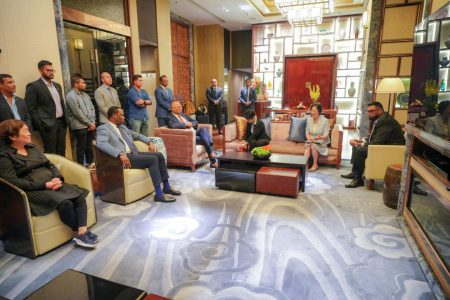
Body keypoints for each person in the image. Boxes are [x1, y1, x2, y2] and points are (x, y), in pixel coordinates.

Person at [0, 119, 97, 248]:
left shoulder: (33, 148)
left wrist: (58, 178)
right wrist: (45, 185)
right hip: (33, 191)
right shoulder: (4, 156)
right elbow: (12, 182)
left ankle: (82, 232)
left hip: (52, 182)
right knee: (65, 203)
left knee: (79, 196)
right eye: (25, 131)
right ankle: (79, 232)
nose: (30, 133)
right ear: (12, 136)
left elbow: (50, 165)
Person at [96, 106, 181, 203]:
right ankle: (159, 194)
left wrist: (149, 142)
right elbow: (101, 144)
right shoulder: (103, 128)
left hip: (134, 153)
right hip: (122, 158)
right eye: (121, 115)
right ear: (114, 115)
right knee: (152, 159)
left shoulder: (122, 127)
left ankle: (166, 187)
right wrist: (119, 154)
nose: (124, 117)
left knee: (159, 155)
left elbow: (137, 135)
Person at [341, 101, 405, 188]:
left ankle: (358, 180)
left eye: (371, 111)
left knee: (360, 151)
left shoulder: (386, 122)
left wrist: (362, 144)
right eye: (368, 111)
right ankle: (355, 172)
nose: (369, 113)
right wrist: (360, 141)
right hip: (382, 146)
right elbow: (376, 137)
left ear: (379, 110)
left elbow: (378, 142)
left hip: (389, 150)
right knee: (356, 145)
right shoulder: (379, 119)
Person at [25, 60, 66, 155]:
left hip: (61, 123)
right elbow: (30, 108)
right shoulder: (33, 86)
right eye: (48, 70)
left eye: (52, 70)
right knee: (51, 152)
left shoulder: (57, 86)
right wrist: (41, 125)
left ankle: (62, 170)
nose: (51, 72)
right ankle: (51, 170)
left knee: (61, 150)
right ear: (40, 71)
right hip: (47, 125)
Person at [166, 101, 218, 168]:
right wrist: (185, 124)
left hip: (193, 132)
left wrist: (192, 124)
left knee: (204, 129)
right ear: (173, 109)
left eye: (181, 106)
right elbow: (172, 126)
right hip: (187, 137)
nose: (181, 108)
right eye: (179, 107)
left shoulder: (183, 115)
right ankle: (213, 159)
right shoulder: (168, 117)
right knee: (206, 138)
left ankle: (212, 154)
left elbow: (195, 121)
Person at [65, 74, 96, 167]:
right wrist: (89, 123)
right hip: (79, 126)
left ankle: (91, 164)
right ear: (76, 84)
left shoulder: (86, 95)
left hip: (90, 124)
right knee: (81, 148)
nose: (85, 84)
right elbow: (77, 113)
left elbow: (92, 108)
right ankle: (80, 167)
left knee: (89, 146)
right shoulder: (70, 96)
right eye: (82, 83)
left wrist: (93, 122)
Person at [304, 103, 330, 172]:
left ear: (319, 111)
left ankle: (315, 165)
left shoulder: (325, 121)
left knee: (313, 146)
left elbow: (326, 134)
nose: (312, 113)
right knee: (308, 146)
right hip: (311, 139)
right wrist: (309, 139)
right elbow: (307, 132)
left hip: (321, 140)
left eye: (314, 111)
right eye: (311, 111)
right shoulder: (309, 119)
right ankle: (304, 165)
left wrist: (319, 137)